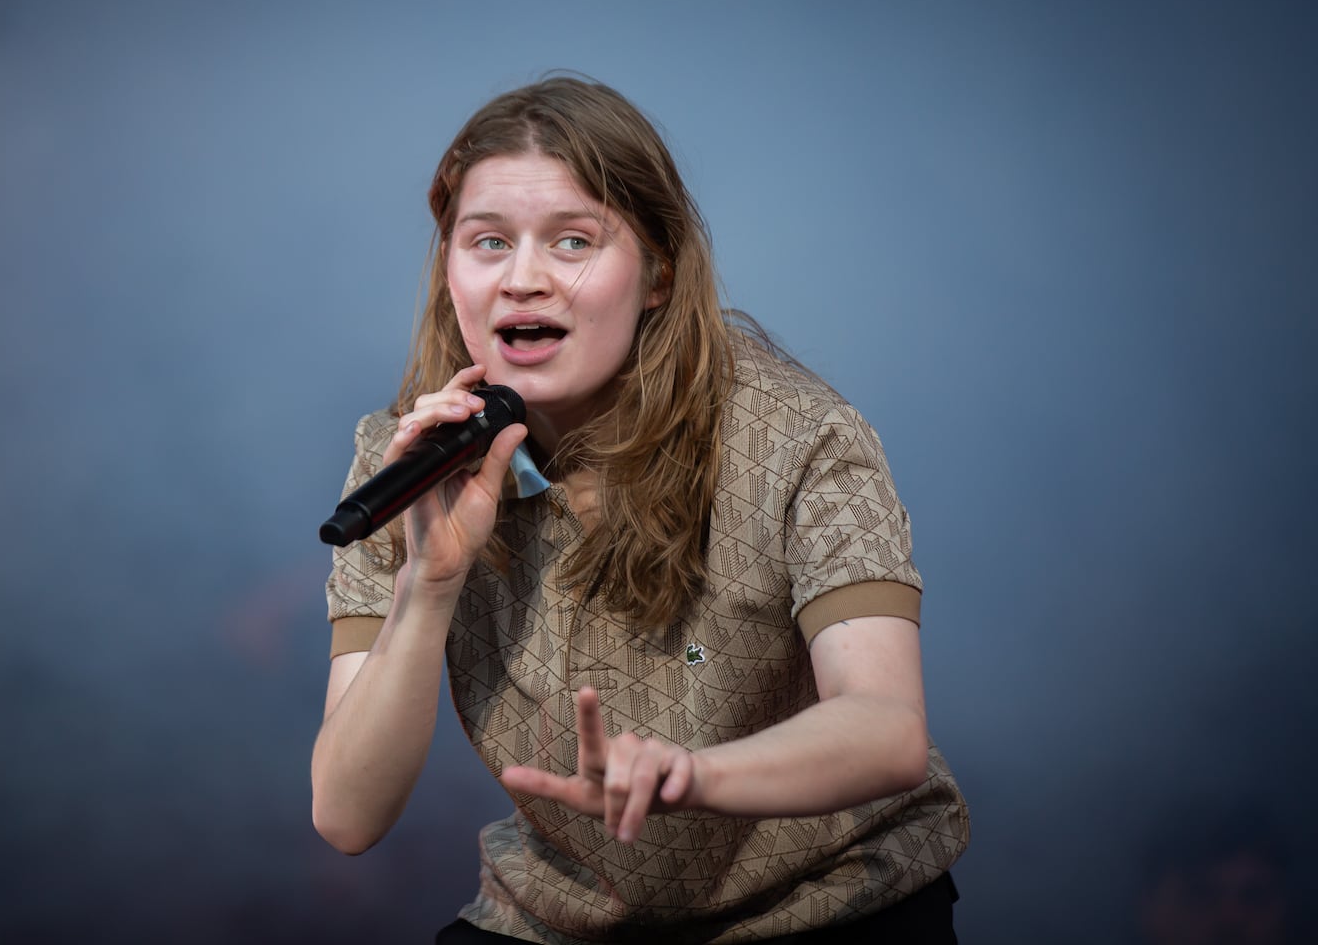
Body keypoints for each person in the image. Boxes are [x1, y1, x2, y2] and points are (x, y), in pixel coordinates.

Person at [312, 75, 969, 943]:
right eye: (488, 243)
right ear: (449, 269)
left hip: (827, 905)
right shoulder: (401, 459)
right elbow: (348, 815)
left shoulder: (798, 436)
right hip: (568, 918)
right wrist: (428, 585)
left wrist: (691, 775)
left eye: (573, 241)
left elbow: (887, 731)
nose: (523, 279)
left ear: (656, 272)